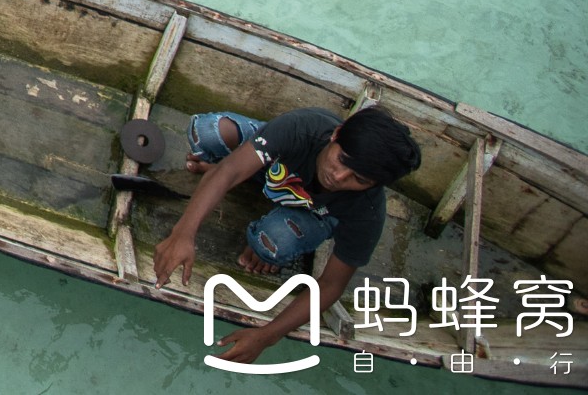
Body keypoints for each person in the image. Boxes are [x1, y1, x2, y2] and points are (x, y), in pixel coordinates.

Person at [153, 104, 422, 366]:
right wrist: (182, 234)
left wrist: (267, 336)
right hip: (272, 170)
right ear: (336, 134)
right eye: (341, 160)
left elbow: (330, 285)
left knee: (273, 243)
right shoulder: (303, 127)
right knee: (206, 131)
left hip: (314, 212)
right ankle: (245, 173)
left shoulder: (368, 211)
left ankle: (262, 217)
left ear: (373, 184)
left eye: (359, 179)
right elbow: (229, 169)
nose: (338, 177)